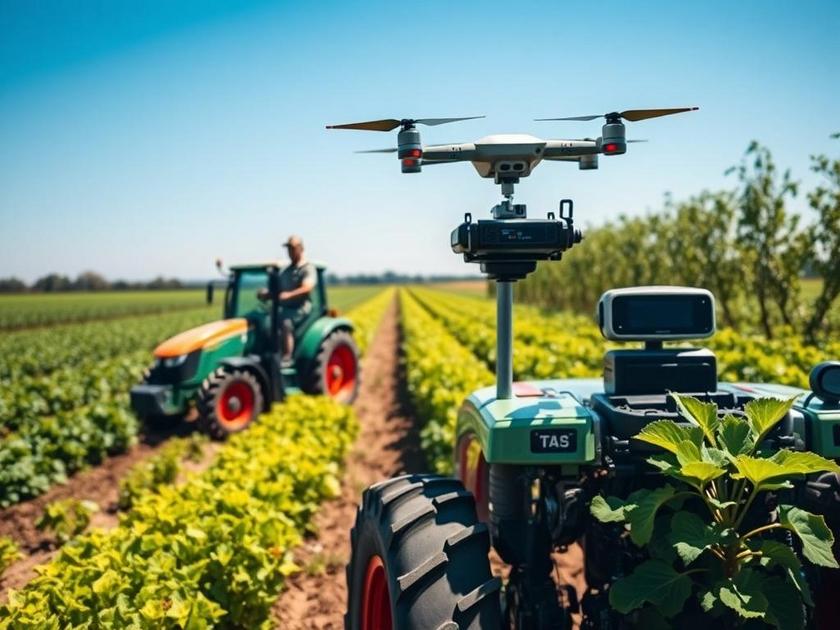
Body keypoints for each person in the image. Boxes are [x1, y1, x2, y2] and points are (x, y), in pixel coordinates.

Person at [260, 235, 316, 363]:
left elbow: (307, 287)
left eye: (293, 248)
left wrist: (289, 295)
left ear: (301, 248)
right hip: (284, 307)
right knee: (266, 321)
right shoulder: (286, 271)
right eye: (288, 249)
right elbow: (277, 291)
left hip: (300, 308)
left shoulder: (307, 268)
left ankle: (287, 357)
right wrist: (267, 294)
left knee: (286, 323)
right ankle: (269, 352)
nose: (290, 252)